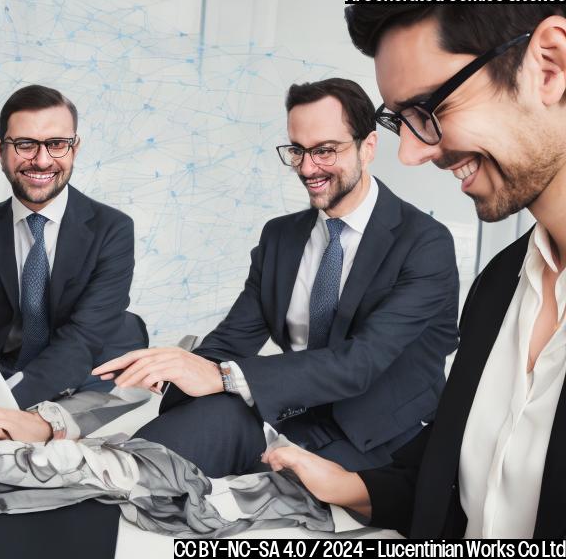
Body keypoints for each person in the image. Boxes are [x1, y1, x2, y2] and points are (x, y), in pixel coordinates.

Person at [265, 4, 566, 539]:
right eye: (399, 121)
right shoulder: (500, 284)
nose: (409, 153)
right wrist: (354, 487)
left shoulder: (426, 249)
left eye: (429, 108)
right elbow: (462, 479)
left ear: (550, 66)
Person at [95, 77, 459, 477]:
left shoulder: (425, 242)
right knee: (133, 469)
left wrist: (220, 377)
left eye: (324, 150)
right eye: (297, 150)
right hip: (289, 411)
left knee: (257, 500)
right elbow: (232, 341)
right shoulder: (281, 237)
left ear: (367, 147)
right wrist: (173, 371)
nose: (307, 168)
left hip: (379, 433)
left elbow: (361, 362)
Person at [0, 84, 148, 409]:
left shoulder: (112, 229)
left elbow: (83, 340)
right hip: (7, 369)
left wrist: (0, 408)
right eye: (25, 144)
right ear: (0, 150)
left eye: (56, 144)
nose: (42, 161)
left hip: (87, 372)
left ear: (74, 148)